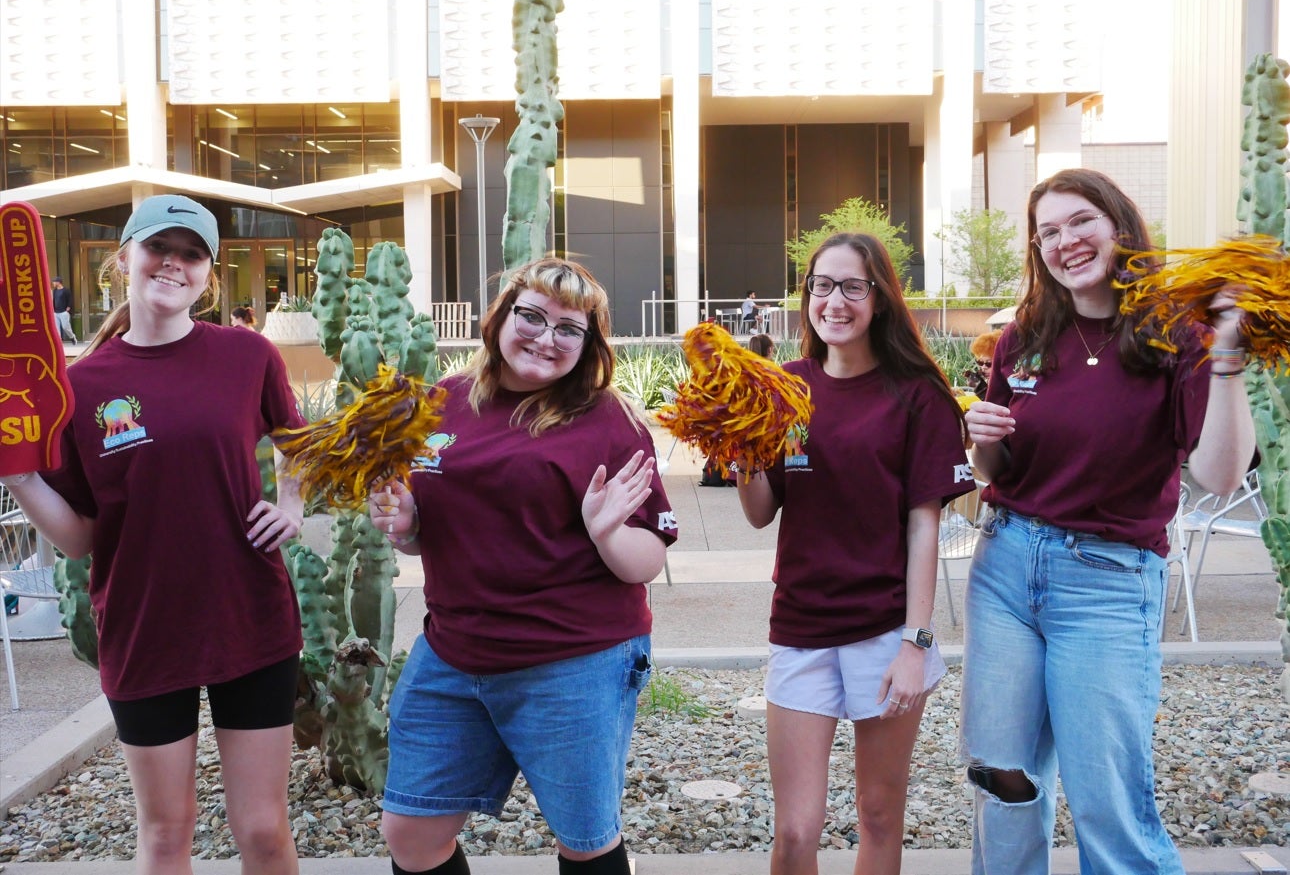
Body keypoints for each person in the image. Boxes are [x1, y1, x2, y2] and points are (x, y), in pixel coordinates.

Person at [0, 194, 306, 875]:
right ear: (125, 259)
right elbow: (80, 539)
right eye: (158, 247)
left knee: (262, 829)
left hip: (249, 614)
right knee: (166, 834)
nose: (174, 262)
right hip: (143, 627)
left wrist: (290, 500)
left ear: (208, 274)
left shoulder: (247, 355)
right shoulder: (80, 388)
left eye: (192, 252)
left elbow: (302, 443)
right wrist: (20, 479)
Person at [961, 169, 1255, 874]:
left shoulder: (1177, 337)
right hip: (1005, 567)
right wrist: (981, 433)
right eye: (1048, 232)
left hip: (1108, 583)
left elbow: (1218, 473)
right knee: (1003, 783)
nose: (1066, 242)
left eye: (1080, 221)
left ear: (1119, 224)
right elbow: (996, 470)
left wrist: (1227, 356)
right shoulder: (1024, 333)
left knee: (1108, 801)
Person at [368, 256, 678, 875]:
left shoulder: (608, 422)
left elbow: (647, 558)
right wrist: (405, 527)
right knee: (410, 834)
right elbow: (432, 533)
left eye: (570, 328)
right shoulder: (442, 403)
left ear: (589, 345)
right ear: (500, 317)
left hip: (572, 660)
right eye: (531, 316)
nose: (546, 337)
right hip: (454, 652)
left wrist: (606, 532)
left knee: (585, 840)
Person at [736, 232, 975, 875]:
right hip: (801, 628)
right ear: (806, 295)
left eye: (853, 286)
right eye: (821, 285)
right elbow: (761, 512)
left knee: (877, 815)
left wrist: (915, 643)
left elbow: (925, 527)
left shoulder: (918, 395)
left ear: (880, 298)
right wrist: (740, 454)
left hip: (884, 633)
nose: (834, 300)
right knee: (794, 831)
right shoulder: (782, 388)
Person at [966, 329, 1001, 398]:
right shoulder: (985, 381)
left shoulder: (1006, 384)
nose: (983, 367)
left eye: (989, 363)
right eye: (980, 362)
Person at [51, 276, 75, 341]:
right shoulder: (55, 291)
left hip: (64, 312)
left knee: (65, 326)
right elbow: (53, 300)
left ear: (58, 282)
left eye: (54, 282)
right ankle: (59, 342)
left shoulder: (66, 290)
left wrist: (68, 307)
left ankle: (72, 336)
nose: (53, 283)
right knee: (57, 329)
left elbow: (70, 299)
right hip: (56, 312)